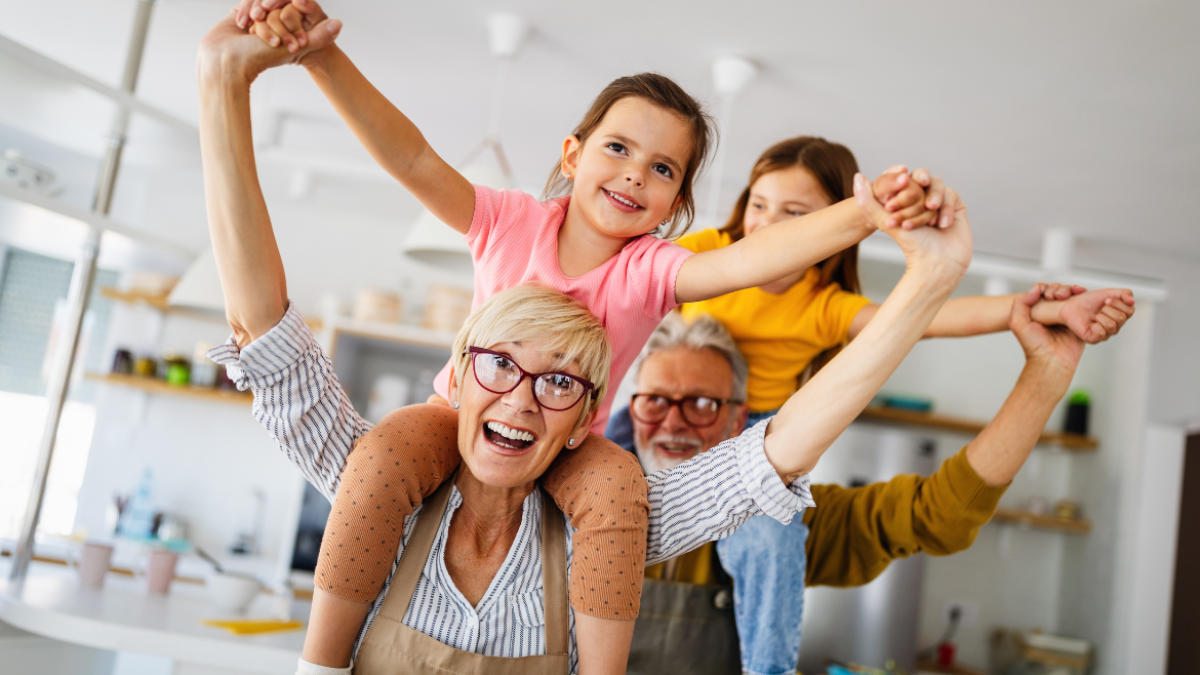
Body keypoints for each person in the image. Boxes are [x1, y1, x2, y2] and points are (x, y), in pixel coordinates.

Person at [196, 6, 972, 672]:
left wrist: (868, 216)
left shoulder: (649, 271)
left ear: (674, 205)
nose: (635, 174)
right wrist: (314, 57)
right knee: (381, 455)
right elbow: (409, 157)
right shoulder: (508, 222)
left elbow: (755, 262)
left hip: (583, 453)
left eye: (663, 168)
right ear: (573, 153)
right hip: (441, 422)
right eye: (618, 149)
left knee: (617, 486)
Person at [605, 135, 1136, 674]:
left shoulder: (820, 306)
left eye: (796, 216)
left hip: (762, 441)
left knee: (769, 539)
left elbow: (925, 323)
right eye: (759, 207)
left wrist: (1042, 317)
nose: (768, 229)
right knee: (591, 499)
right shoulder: (707, 255)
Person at [616, 304, 1130, 675]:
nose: (673, 422)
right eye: (655, 401)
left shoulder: (785, 522)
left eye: (702, 404)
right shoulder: (583, 509)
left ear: (738, 419)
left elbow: (939, 512)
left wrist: (1044, 376)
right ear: (632, 408)